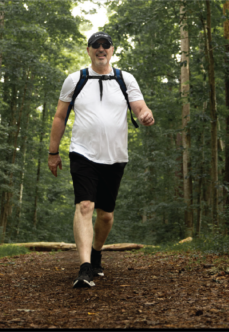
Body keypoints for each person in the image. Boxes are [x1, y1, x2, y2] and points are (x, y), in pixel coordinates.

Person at [48, 31, 154, 289]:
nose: (101, 48)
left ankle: (96, 252)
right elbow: (60, 117)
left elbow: (139, 106)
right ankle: (85, 268)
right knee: (84, 205)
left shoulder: (124, 79)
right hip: (82, 152)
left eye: (105, 45)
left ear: (112, 50)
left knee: (105, 215)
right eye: (96, 45)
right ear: (88, 51)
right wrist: (53, 152)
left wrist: (145, 113)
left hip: (115, 155)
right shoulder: (76, 79)